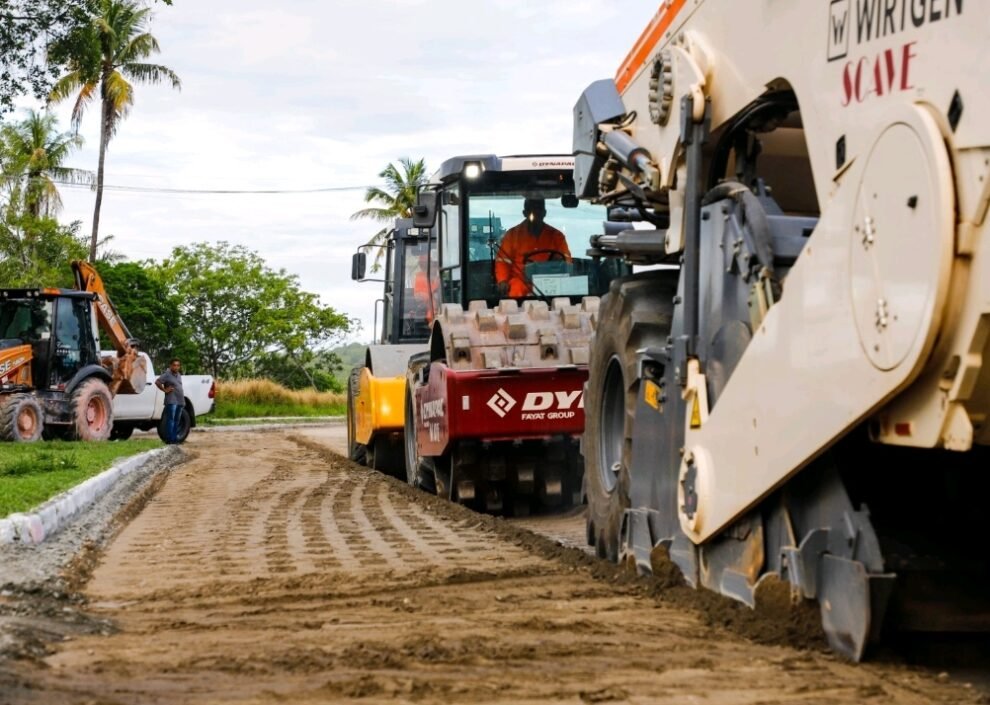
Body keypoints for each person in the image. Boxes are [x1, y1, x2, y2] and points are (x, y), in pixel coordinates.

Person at [495, 197, 571, 297]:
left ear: (544, 213)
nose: (535, 214)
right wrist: (503, 280)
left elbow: (566, 263)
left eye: (539, 210)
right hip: (521, 280)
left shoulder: (557, 236)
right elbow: (503, 261)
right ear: (524, 213)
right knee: (514, 294)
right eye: (531, 211)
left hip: (550, 282)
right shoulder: (512, 235)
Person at [155, 357, 185, 444]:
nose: (176, 367)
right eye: (174, 365)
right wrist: (165, 390)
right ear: (170, 366)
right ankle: (169, 440)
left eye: (178, 365)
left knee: (176, 420)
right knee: (170, 420)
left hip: (180, 400)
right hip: (171, 400)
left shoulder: (179, 375)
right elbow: (157, 382)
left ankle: (174, 439)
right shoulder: (167, 374)